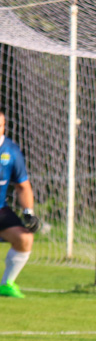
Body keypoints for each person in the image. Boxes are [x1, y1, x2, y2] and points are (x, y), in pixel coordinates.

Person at [0, 110, 40, 298]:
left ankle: (7, 283)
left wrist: (28, 212)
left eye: (0, 125)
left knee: (25, 238)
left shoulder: (11, 151)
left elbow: (22, 186)